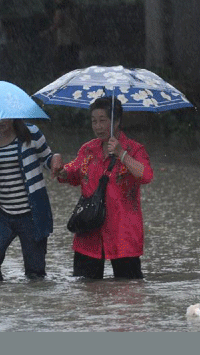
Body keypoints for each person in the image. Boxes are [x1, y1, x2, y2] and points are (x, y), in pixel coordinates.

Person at [54, 97, 153, 279]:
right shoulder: (88, 149)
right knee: (86, 294)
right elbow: (74, 173)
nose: (98, 126)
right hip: (89, 232)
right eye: (94, 121)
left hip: (123, 233)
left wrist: (121, 154)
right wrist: (61, 171)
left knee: (128, 295)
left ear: (116, 122)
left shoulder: (134, 149)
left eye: (103, 121)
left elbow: (146, 175)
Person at [0, 119, 63, 283]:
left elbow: (47, 159)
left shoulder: (31, 132)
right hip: (0, 213)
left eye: (4, 116)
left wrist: (55, 159)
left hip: (32, 214)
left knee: (35, 274)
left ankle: (32, 307)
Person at [47, 0, 81, 77]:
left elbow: (58, 23)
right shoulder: (73, 6)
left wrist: (48, 32)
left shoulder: (60, 8)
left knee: (63, 65)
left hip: (64, 40)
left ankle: (64, 84)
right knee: (73, 65)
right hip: (75, 39)